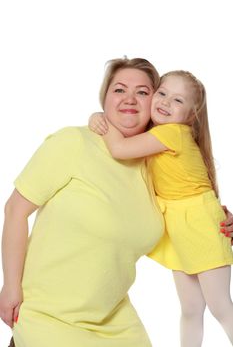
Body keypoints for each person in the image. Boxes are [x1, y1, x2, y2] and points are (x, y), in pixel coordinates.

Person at [0, 58, 165, 347]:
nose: (130, 99)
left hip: (116, 326)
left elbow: (180, 226)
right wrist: (10, 286)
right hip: (48, 317)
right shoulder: (73, 143)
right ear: (104, 98)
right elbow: (15, 210)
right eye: (119, 90)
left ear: (155, 103)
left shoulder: (156, 170)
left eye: (142, 92)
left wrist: (218, 222)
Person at [89, 70, 233, 346]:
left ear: (191, 115)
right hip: (179, 225)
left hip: (198, 222)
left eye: (178, 100)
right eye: (163, 93)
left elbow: (118, 149)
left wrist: (100, 119)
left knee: (220, 307)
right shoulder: (156, 133)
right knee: (190, 309)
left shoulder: (172, 133)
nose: (166, 102)